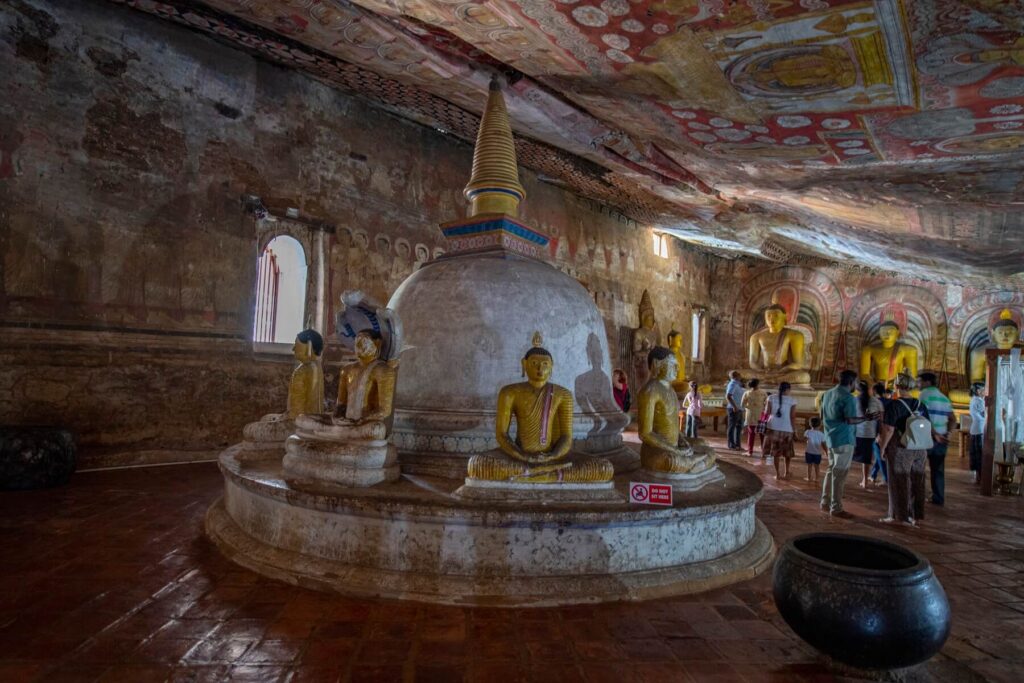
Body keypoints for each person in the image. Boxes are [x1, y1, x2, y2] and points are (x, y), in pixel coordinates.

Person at [820, 370, 876, 518]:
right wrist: (865, 418)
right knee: (840, 473)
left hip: (830, 436)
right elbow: (850, 419)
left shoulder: (827, 394)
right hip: (844, 438)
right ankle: (836, 507)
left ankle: (825, 502)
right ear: (852, 382)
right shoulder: (848, 398)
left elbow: (822, 415)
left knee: (831, 470)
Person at [879, 373, 930, 525]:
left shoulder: (894, 405)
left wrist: (883, 447)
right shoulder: (920, 404)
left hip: (902, 447)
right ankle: (916, 515)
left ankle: (899, 515)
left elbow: (889, 429)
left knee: (899, 481)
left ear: (896, 386)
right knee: (918, 480)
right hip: (920, 447)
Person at [918, 372, 952, 505]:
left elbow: (923, 417)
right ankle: (938, 498)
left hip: (927, 437)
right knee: (938, 470)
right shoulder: (944, 398)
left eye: (919, 381)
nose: (918, 384)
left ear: (927, 382)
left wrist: (934, 433)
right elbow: (953, 418)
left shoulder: (924, 395)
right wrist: (948, 433)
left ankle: (918, 495)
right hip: (942, 438)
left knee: (919, 467)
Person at [854, 381, 883, 489]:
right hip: (871, 433)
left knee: (849, 456)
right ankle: (865, 480)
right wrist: (879, 433)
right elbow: (881, 420)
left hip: (856, 432)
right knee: (866, 459)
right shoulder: (877, 402)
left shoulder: (854, 400)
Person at [764, 382, 797, 479]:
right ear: (788, 389)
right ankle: (786, 472)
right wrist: (794, 431)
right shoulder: (792, 400)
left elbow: (767, 412)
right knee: (787, 452)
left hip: (773, 427)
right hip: (787, 428)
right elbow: (792, 417)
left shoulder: (771, 398)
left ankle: (777, 474)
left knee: (775, 452)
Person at [869, 383, 891, 486]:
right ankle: (873, 475)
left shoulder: (874, 403)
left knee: (879, 454)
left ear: (873, 391)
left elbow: (876, 420)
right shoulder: (890, 402)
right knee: (879, 454)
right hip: (890, 432)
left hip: (878, 433)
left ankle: (886, 479)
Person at [741, 378, 768, 457]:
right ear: (758, 384)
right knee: (762, 434)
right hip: (761, 416)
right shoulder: (763, 393)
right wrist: (761, 407)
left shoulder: (747, 393)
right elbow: (767, 403)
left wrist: (750, 407)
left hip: (750, 415)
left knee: (751, 434)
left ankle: (750, 451)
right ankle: (764, 452)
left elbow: (742, 404)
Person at [968, 383, 986, 484]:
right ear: (978, 391)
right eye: (983, 389)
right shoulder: (976, 401)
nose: (985, 391)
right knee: (978, 454)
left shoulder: (979, 400)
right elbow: (979, 416)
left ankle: (980, 475)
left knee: (979, 453)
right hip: (978, 430)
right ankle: (979, 476)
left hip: (979, 429)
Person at [725, 371, 746, 450]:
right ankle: (731, 444)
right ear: (736, 376)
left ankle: (738, 444)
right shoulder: (732, 384)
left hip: (739, 408)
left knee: (739, 427)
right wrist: (734, 406)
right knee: (732, 427)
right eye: (739, 375)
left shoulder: (738, 384)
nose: (741, 376)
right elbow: (728, 396)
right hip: (734, 408)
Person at [804, 416, 827, 483]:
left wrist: (807, 440)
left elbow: (805, 439)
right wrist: (826, 451)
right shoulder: (821, 434)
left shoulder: (807, 432)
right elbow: (823, 444)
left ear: (810, 424)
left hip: (809, 452)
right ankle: (817, 478)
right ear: (820, 425)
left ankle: (808, 477)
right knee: (817, 466)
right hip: (818, 453)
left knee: (809, 465)